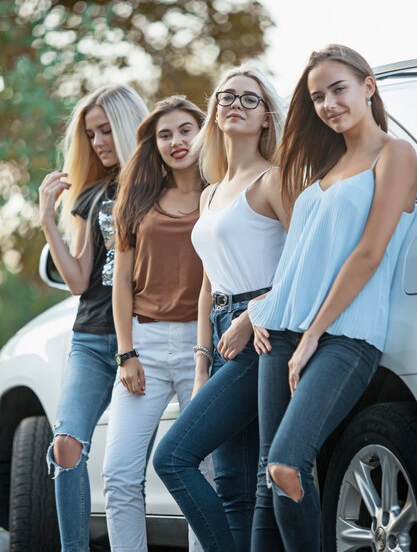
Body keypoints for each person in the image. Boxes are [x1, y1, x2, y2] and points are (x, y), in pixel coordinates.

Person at [248, 44, 417, 551]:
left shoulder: (397, 153)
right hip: (278, 331)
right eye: (318, 96)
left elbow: (369, 252)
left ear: (368, 86)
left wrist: (313, 336)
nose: (328, 104)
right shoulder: (329, 165)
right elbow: (301, 259)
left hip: (346, 334)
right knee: (267, 479)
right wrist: (261, 311)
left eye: (338, 89)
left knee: (286, 463)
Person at [153, 66, 288, 552]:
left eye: (249, 99)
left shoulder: (274, 181)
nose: (234, 103)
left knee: (173, 458)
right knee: (233, 486)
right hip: (221, 330)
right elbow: (209, 279)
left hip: (264, 332)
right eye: (226, 96)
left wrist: (251, 316)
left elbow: (305, 260)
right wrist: (201, 360)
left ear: (267, 119)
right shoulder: (211, 191)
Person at [39, 85, 148, 552]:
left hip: (144, 338)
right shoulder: (94, 193)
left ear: (128, 126)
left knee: (131, 467)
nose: (100, 141)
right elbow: (80, 278)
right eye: (91, 133)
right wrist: (48, 217)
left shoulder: (161, 185)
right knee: (67, 447)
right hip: (90, 339)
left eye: (106, 130)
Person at [101, 95, 209, 552]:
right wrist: (126, 353)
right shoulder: (138, 196)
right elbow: (121, 281)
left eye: (185, 130)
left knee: (202, 473)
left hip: (202, 345)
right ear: (154, 143)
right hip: (143, 344)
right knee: (119, 472)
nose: (176, 141)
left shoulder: (219, 191)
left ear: (202, 133)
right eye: (165, 134)